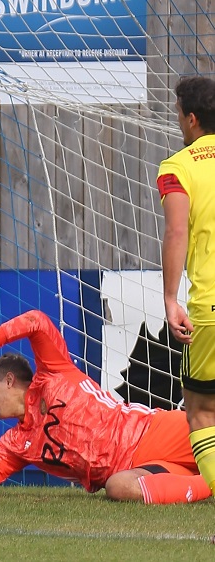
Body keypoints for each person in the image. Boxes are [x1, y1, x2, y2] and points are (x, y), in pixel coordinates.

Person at [0, 310, 211, 504]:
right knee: (119, 489)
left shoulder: (55, 373)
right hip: (138, 471)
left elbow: (36, 321)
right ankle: (208, 485)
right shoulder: (17, 445)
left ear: (11, 380)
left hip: (157, 433)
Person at [158, 75, 215, 498]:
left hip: (210, 308)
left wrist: (170, 298)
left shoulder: (178, 167)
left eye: (178, 113)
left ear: (192, 119)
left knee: (200, 412)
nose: (177, 120)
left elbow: (177, 232)